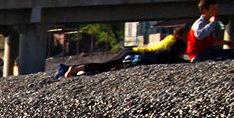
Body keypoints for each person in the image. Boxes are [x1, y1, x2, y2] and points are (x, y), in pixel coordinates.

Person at [56, 27, 190, 78]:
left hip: (131, 51)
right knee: (106, 66)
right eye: (186, 35)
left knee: (106, 64)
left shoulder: (170, 39)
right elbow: (165, 54)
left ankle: (74, 69)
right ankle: (74, 69)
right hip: (134, 54)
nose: (187, 38)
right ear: (179, 35)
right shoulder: (173, 43)